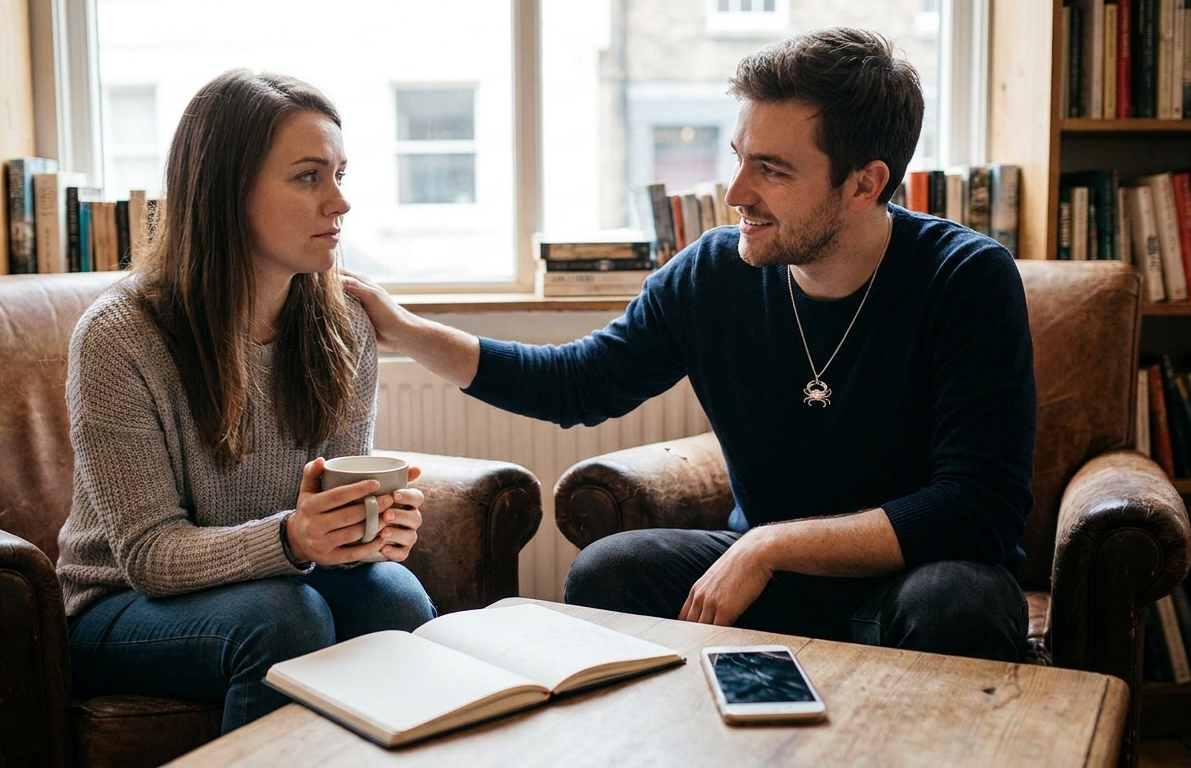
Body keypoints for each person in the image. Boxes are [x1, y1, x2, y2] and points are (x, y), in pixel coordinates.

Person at [344, 27, 1035, 663]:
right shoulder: (714, 273)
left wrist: (769, 545)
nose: (735, 192)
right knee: (609, 570)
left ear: (864, 183)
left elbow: (977, 508)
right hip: (772, 577)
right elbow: (576, 384)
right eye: (739, 158)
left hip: (911, 579)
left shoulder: (964, 277)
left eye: (772, 170)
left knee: (959, 602)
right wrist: (404, 329)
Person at [57, 69, 436, 733]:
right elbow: (147, 555)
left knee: (394, 598)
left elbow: (336, 498)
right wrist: (293, 537)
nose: (340, 202)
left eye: (341, 174)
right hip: (120, 604)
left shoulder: (342, 323)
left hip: (279, 580)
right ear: (226, 192)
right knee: (284, 620)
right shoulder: (119, 337)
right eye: (309, 176)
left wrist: (371, 530)